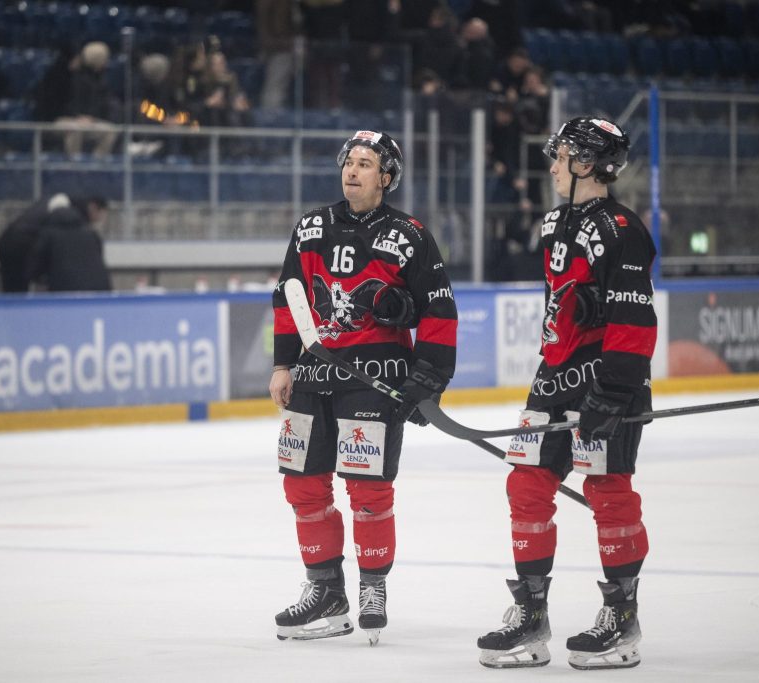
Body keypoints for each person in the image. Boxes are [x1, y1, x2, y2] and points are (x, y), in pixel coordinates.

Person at [476, 117, 657, 670]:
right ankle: (531, 617)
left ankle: (622, 620)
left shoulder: (625, 229)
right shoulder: (554, 222)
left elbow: (634, 321)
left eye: (560, 157)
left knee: (608, 491)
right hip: (553, 379)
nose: (552, 166)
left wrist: (614, 392)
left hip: (607, 381)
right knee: (525, 484)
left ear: (585, 164)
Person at [269, 130, 458, 645]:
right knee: (302, 486)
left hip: (372, 381)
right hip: (312, 375)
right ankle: (326, 591)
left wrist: (428, 379)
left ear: (387, 177)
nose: (353, 170)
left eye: (367, 163)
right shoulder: (310, 227)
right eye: (349, 161)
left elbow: (439, 309)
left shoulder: (410, 234)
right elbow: (289, 299)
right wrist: (282, 364)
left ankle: (373, 586)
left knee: (368, 491)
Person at [0, 194, 108, 293]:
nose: (97, 221)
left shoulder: (59, 209)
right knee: (17, 295)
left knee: (15, 296)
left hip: (10, 244)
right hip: (18, 248)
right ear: (93, 208)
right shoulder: (66, 220)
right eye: (99, 217)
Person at [26, 196, 112, 292]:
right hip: (100, 291)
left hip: (65, 293)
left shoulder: (47, 235)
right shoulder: (90, 233)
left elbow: (35, 268)